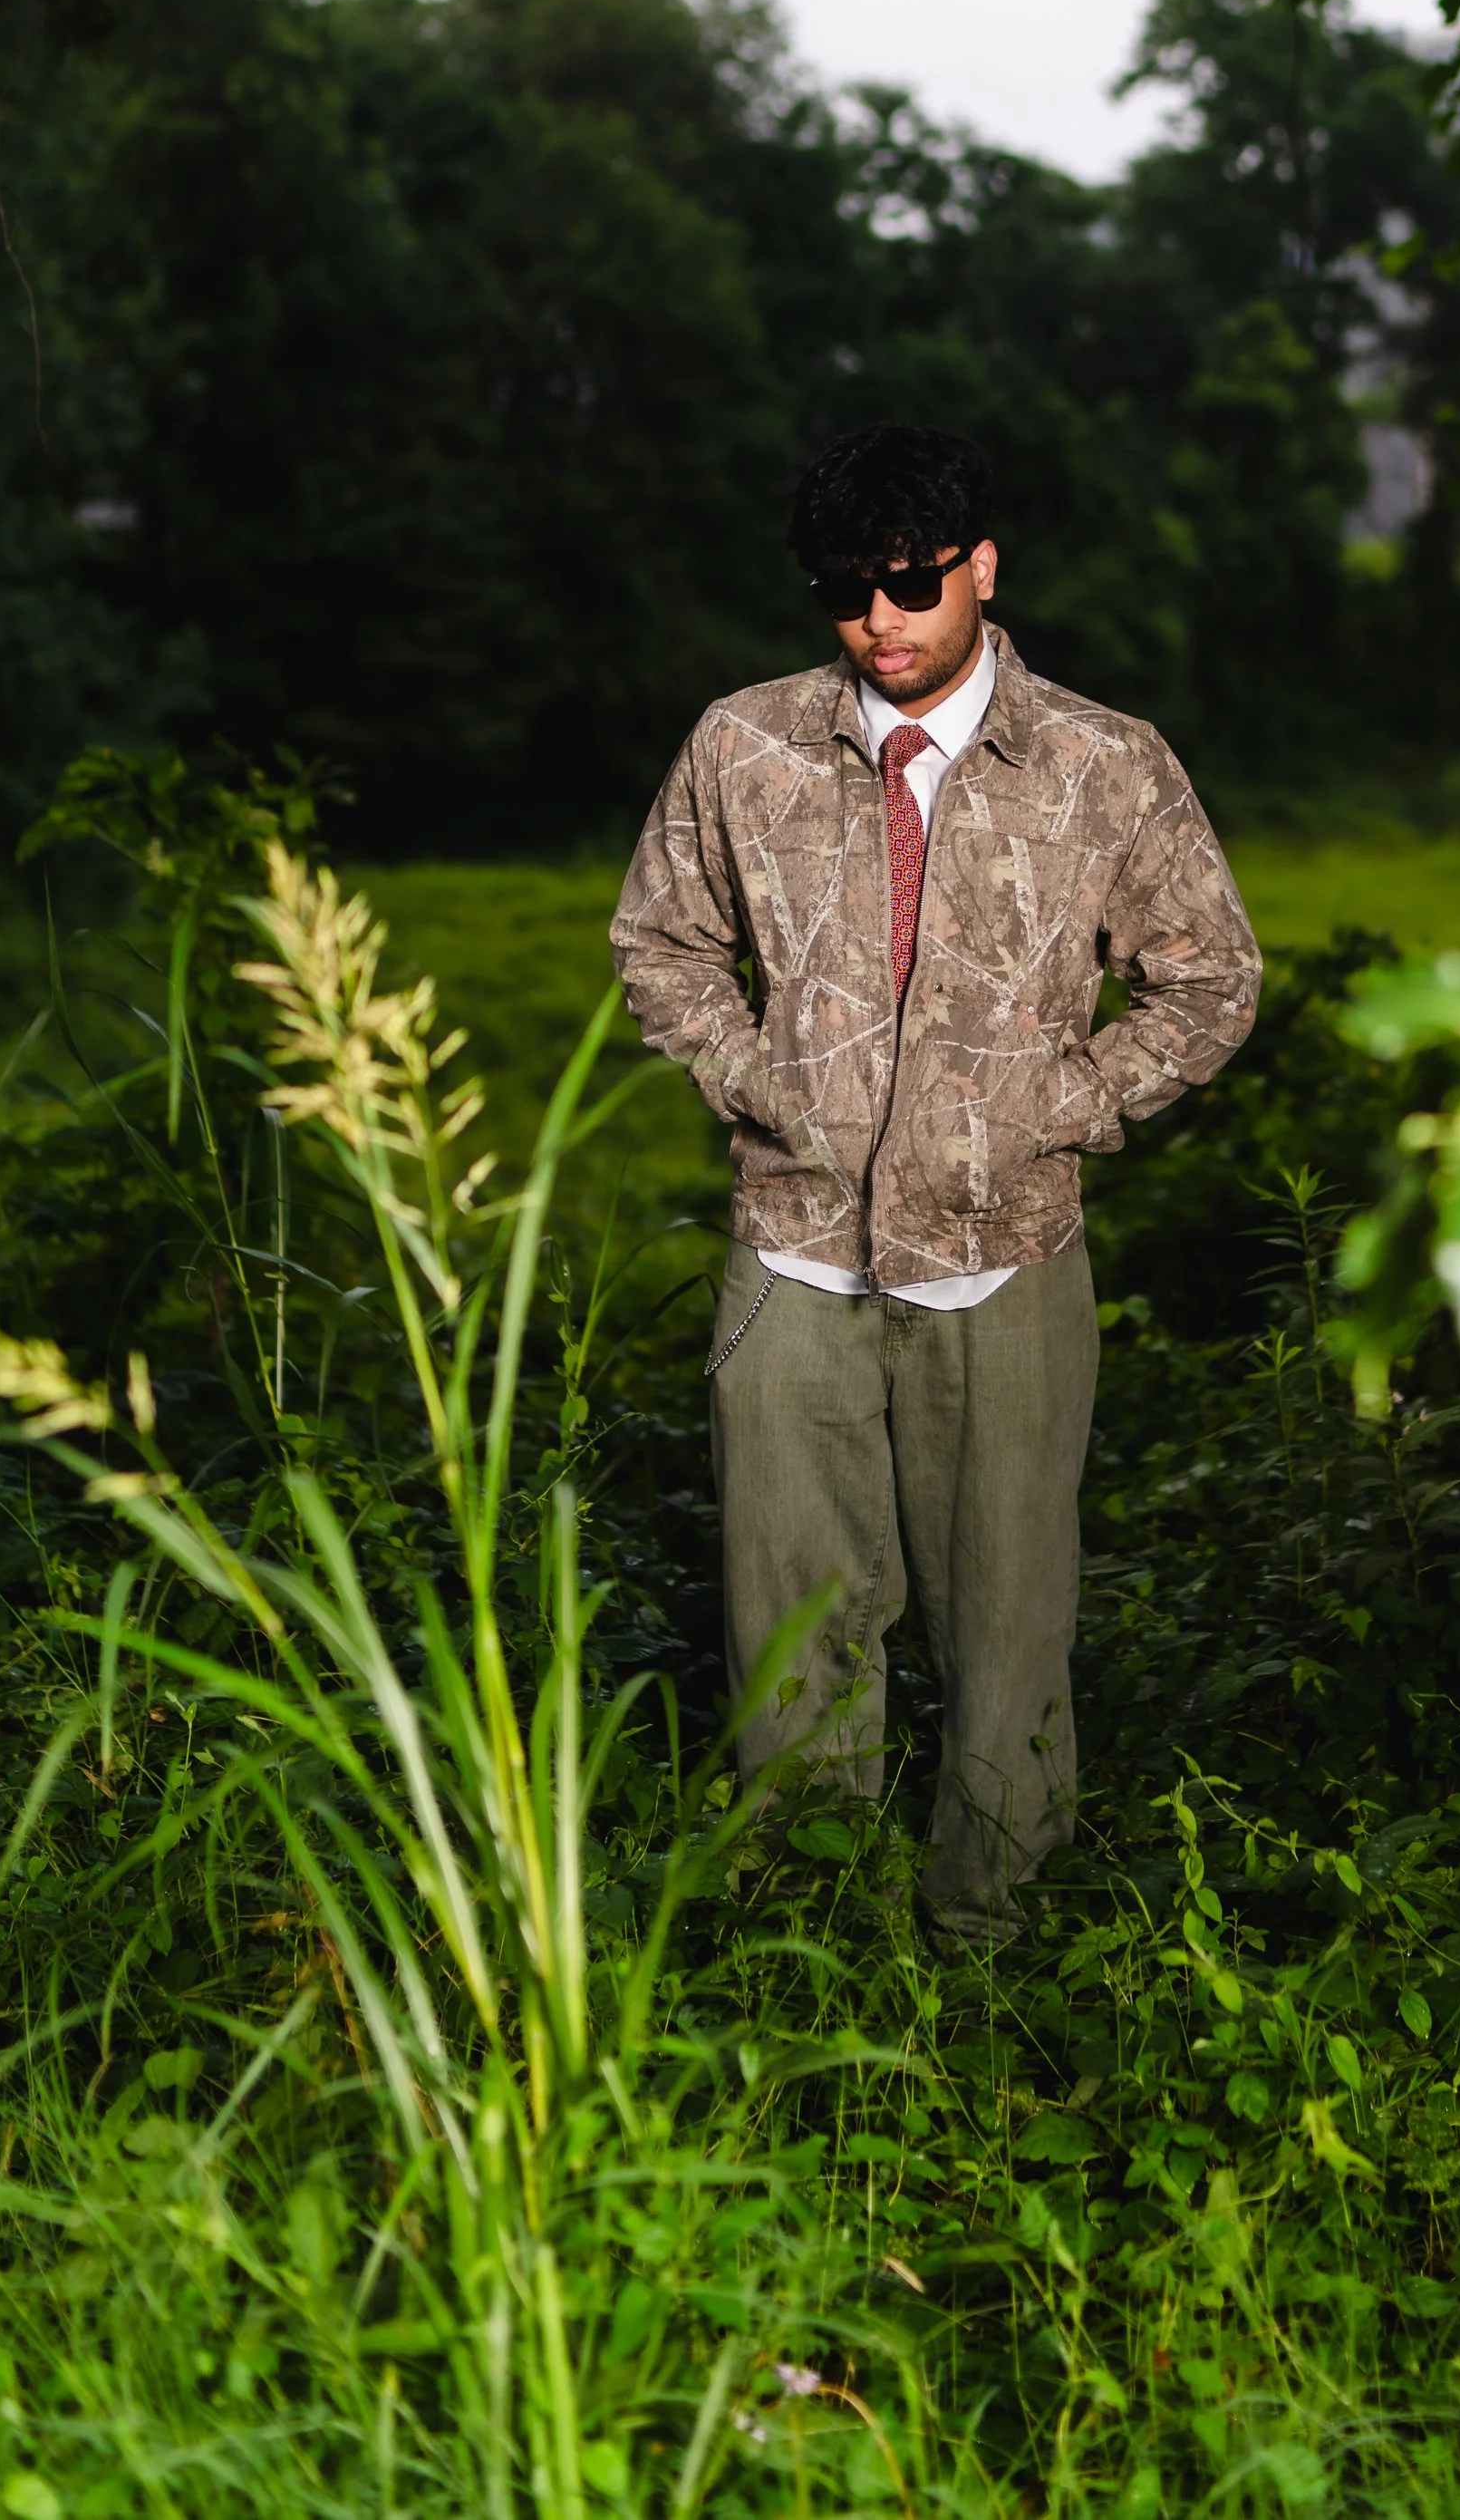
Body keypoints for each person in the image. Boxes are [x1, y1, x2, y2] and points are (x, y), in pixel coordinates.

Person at [610, 423, 1261, 1935]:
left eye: (910, 579)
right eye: (844, 589)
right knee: (792, 1632)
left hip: (1005, 1258)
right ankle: (807, 1952)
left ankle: (988, 1961)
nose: (879, 619)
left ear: (980, 564)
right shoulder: (745, 744)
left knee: (1008, 1640)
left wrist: (1065, 1104)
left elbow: (1212, 979)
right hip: (791, 1262)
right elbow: (661, 940)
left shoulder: (1106, 763)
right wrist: (761, 1081)